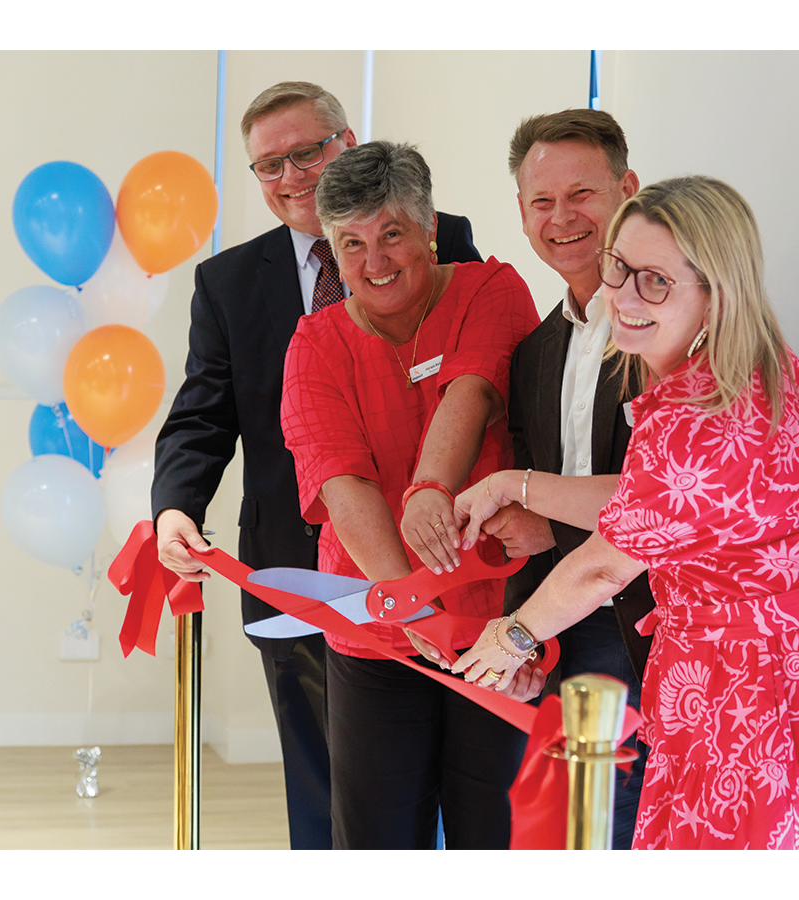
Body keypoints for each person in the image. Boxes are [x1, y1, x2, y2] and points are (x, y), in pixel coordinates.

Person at [453, 176, 799, 849]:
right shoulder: (756, 369)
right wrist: (514, 485)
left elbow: (603, 567)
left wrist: (514, 636)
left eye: (655, 282)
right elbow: (649, 503)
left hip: (757, 690)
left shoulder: (697, 416)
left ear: (714, 292)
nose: (624, 297)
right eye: (619, 268)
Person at [150, 82, 481, 850]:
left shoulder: (443, 238)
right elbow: (203, 414)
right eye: (270, 165)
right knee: (320, 785)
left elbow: (482, 380)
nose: (293, 176)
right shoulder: (228, 281)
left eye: (308, 152)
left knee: (432, 784)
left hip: (433, 562)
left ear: (348, 140)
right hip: (295, 575)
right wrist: (176, 508)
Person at [279, 140, 541, 849]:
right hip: (380, 635)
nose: (375, 262)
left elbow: (473, 388)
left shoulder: (491, 290)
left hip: (495, 626)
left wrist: (429, 487)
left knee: (497, 835)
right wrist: (412, 608)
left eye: (392, 233)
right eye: (352, 243)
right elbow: (343, 485)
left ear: (428, 227)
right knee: (377, 842)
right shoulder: (314, 343)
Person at [468, 109, 655, 849]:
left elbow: (656, 500)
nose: (562, 218)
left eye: (582, 194)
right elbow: (537, 530)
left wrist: (533, 504)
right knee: (575, 837)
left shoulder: (669, 331)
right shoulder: (534, 354)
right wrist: (530, 650)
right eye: (542, 202)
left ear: (628, 190)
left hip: (662, 628)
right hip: (564, 624)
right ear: (520, 214)